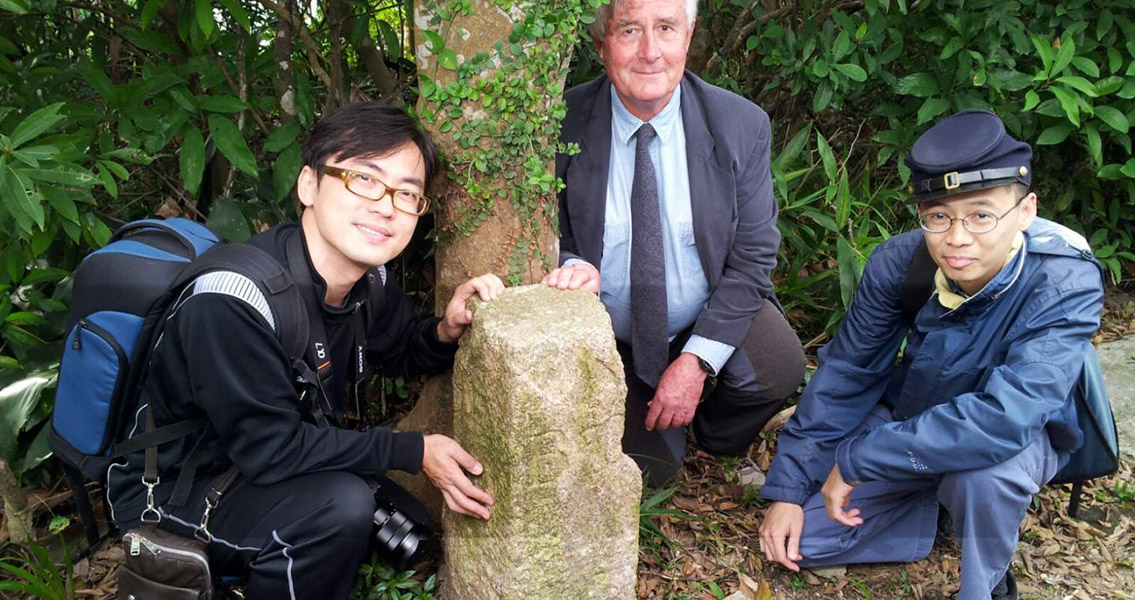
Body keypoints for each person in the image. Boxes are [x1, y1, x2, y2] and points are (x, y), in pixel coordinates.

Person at [106, 102, 503, 599]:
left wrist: (446, 329)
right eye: (363, 178)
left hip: (251, 463)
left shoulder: (368, 281)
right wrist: (414, 450)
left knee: (406, 526)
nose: (385, 205)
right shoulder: (232, 299)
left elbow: (401, 349)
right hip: (170, 490)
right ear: (309, 185)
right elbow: (273, 452)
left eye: (407, 194)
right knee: (338, 509)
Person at [758, 110, 1105, 600]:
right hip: (913, 416)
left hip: (1015, 439)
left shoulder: (1063, 280)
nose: (957, 237)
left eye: (981, 215)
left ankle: (985, 582)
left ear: (1025, 211)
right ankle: (934, 496)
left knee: (985, 474)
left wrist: (860, 459)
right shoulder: (901, 262)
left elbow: (1009, 418)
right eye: (938, 215)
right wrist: (787, 491)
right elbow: (848, 374)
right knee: (804, 541)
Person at [543, 0, 805, 485]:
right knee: (652, 471)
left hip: (699, 313)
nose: (649, 51)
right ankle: (652, 413)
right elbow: (536, 230)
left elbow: (753, 258)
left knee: (778, 366)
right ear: (602, 45)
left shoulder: (740, 126)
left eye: (665, 28)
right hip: (610, 334)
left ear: (688, 36)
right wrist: (571, 262)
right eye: (629, 31)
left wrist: (697, 361)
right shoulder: (559, 123)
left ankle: (712, 434)